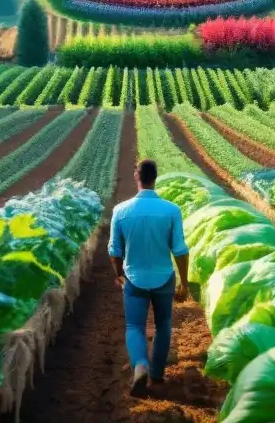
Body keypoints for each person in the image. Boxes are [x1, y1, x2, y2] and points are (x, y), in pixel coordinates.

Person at [108, 159, 190, 397]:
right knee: (164, 325)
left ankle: (140, 365)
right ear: (156, 177)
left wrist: (119, 275)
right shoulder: (171, 210)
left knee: (135, 326)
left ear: (137, 176)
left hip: (134, 278)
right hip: (164, 277)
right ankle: (156, 374)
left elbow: (114, 250)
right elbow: (180, 250)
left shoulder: (120, 211)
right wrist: (184, 282)